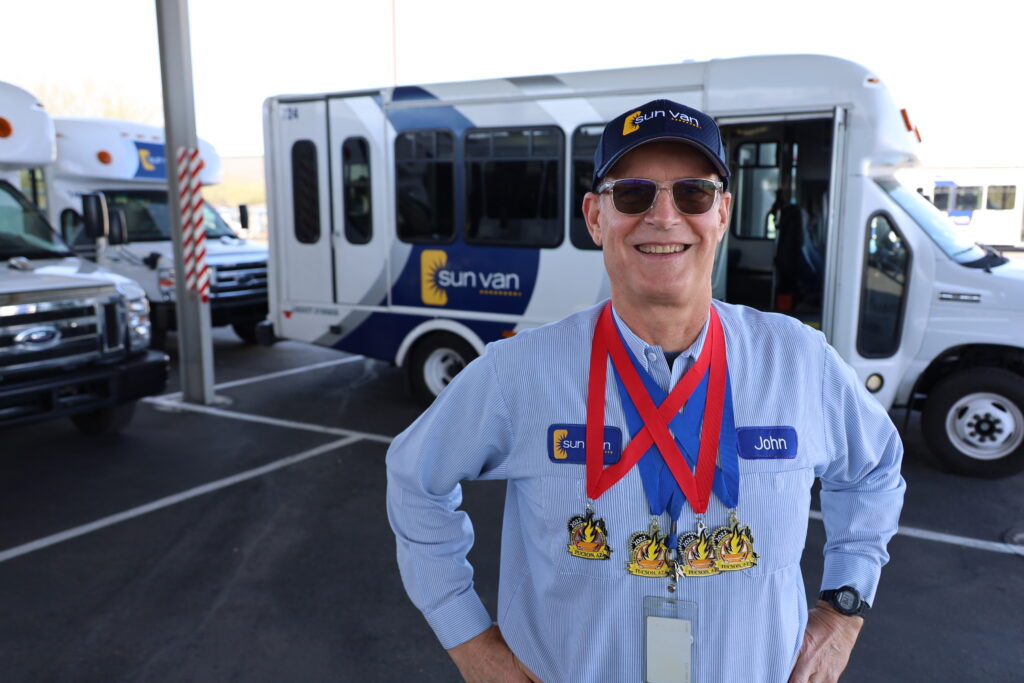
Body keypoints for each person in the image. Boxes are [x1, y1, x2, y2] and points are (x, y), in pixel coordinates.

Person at [386, 99, 906, 683]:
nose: (664, 216)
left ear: (723, 213)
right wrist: (471, 644)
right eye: (633, 194)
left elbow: (875, 469)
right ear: (595, 217)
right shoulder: (519, 372)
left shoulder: (800, 360)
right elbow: (415, 479)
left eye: (693, 194)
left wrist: (843, 612)